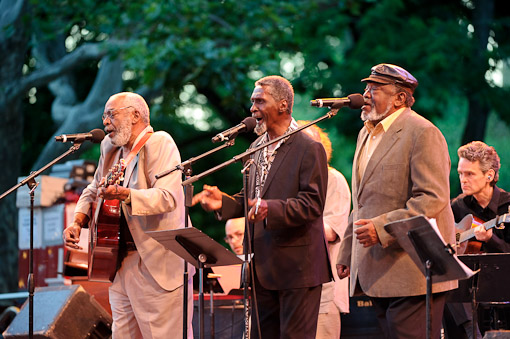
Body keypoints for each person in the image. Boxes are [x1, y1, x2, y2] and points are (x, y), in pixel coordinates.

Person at [192, 75, 332, 338]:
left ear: (282, 105)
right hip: (262, 267)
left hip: (297, 268)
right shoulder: (257, 146)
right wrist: (225, 202)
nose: (252, 108)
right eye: (252, 102)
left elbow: (312, 204)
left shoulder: (309, 147)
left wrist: (271, 208)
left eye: (259, 101)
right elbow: (250, 199)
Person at [336, 63, 458, 339]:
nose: (366, 94)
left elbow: (432, 198)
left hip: (414, 271)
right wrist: (347, 251)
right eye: (367, 87)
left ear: (400, 98)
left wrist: (381, 228)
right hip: (376, 269)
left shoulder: (423, 132)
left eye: (375, 89)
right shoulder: (366, 132)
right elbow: (362, 201)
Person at [63, 92, 194, 338]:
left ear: (135, 115)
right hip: (118, 263)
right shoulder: (110, 147)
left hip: (156, 263)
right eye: (104, 116)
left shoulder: (159, 142)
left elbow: (168, 198)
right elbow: (93, 189)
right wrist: (77, 221)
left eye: (111, 114)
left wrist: (126, 194)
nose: (105, 122)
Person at [443, 141, 510, 338]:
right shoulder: (457, 206)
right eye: (460, 173)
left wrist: (491, 240)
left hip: (501, 282)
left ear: (489, 175)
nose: (463, 180)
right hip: (468, 287)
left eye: (470, 174)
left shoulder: (506, 207)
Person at [297, 121, 351, 339]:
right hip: (292, 290)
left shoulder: (333, 179)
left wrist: (285, 214)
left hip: (323, 295)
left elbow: (330, 232)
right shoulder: (290, 181)